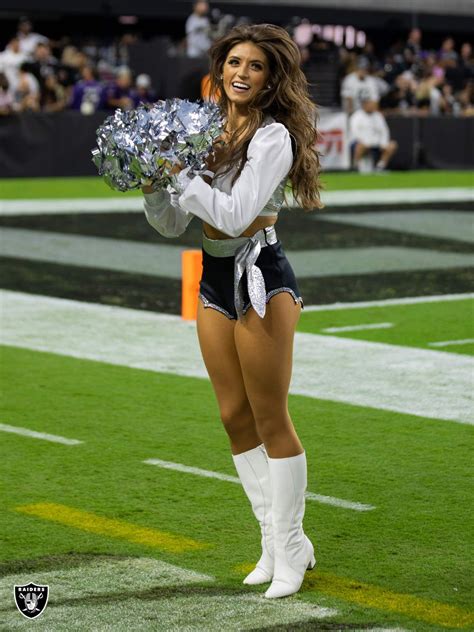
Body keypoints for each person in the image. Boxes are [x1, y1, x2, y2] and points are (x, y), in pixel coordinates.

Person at [142, 23, 322, 599]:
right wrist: (154, 182)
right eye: (234, 63)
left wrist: (183, 174)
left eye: (256, 66)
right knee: (233, 416)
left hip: (261, 274)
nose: (241, 74)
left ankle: (292, 549)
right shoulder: (204, 130)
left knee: (271, 418)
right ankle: (272, 542)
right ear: (219, 70)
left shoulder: (272, 140)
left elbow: (241, 213)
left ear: (272, 79)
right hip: (214, 272)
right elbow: (174, 222)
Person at [350, 94, 398, 172]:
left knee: (392, 145)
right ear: (365, 105)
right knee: (359, 146)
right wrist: (365, 143)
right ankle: (356, 167)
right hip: (363, 143)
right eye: (370, 104)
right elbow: (355, 132)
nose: (373, 106)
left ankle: (380, 167)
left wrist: (383, 143)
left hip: (377, 143)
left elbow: (384, 131)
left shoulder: (378, 115)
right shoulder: (357, 116)